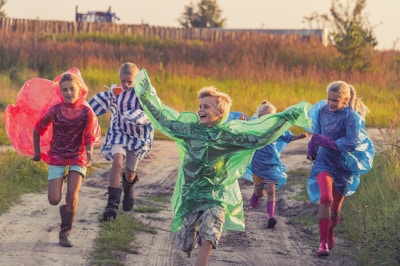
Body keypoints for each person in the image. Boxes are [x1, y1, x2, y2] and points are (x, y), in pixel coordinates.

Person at [132, 69, 312, 266]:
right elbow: (163, 120)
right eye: (200, 106)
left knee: (209, 235)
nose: (200, 109)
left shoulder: (228, 137)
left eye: (206, 106)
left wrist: (286, 118)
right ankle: (192, 234)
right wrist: (146, 96)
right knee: (185, 242)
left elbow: (259, 137)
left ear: (219, 113)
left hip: (217, 195)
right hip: (191, 195)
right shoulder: (190, 130)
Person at [32, 71, 100, 247]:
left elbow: (89, 136)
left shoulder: (86, 112)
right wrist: (37, 153)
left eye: (72, 89)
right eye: (65, 90)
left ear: (80, 90)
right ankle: (66, 210)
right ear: (60, 92)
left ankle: (65, 232)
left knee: (72, 195)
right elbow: (37, 129)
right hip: (57, 155)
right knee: (54, 199)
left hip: (78, 156)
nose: (69, 93)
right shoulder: (55, 110)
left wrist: (90, 153)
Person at [306, 80, 374, 257]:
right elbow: (317, 134)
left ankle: (330, 230)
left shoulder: (351, 117)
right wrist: (312, 149)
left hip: (344, 165)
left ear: (345, 100)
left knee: (335, 210)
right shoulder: (322, 111)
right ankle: (322, 243)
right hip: (323, 162)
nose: (330, 103)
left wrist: (326, 142)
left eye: (335, 100)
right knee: (325, 198)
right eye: (329, 98)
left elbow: (351, 143)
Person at [89, 62, 154, 221]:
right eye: (123, 81)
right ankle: (111, 205)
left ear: (136, 80)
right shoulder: (116, 92)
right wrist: (85, 113)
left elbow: (152, 112)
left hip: (137, 135)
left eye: (129, 82)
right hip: (119, 131)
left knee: (130, 172)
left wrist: (137, 116)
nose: (125, 85)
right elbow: (97, 104)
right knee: (117, 162)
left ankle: (129, 188)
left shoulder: (144, 93)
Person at [249, 100, 308, 228]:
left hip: (272, 164)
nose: (268, 119)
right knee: (261, 192)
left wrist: (299, 137)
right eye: (265, 116)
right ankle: (256, 193)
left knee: (271, 190)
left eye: (271, 116)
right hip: (258, 166)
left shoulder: (277, 129)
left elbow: (288, 137)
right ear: (259, 117)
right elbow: (243, 134)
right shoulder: (254, 128)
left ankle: (271, 217)